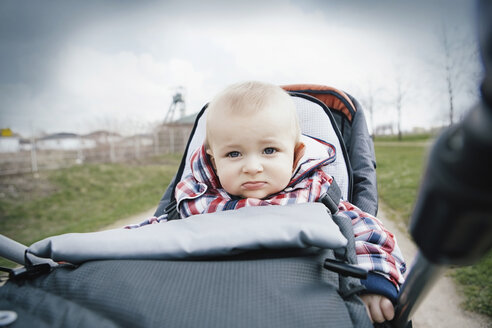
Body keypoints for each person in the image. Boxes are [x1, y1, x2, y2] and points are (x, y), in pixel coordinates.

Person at [175, 81, 406, 324]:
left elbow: (368, 231)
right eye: (234, 154)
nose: (253, 167)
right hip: (215, 299)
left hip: (301, 300)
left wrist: (371, 281)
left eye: (269, 150)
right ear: (214, 160)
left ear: (295, 154)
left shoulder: (315, 195)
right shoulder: (199, 199)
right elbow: (160, 232)